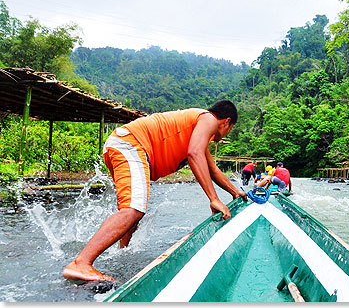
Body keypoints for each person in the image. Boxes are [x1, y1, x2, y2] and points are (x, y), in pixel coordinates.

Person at [62, 100, 247, 282]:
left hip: (123, 144)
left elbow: (211, 169)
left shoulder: (199, 129)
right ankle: (81, 263)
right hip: (131, 144)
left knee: (134, 211)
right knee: (133, 210)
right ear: (227, 122)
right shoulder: (209, 120)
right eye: (230, 129)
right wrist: (213, 198)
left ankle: (120, 252)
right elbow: (194, 154)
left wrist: (234, 192)